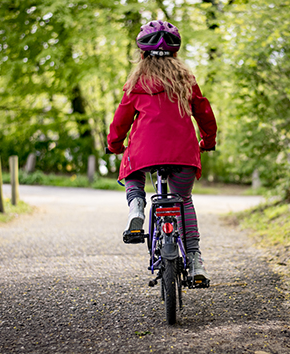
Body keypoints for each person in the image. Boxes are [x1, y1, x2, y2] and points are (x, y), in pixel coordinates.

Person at [107, 20, 217, 283]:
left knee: (131, 169)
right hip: (183, 153)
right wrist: (208, 141)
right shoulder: (186, 80)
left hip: (145, 152)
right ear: (175, 54)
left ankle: (136, 207)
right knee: (183, 200)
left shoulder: (137, 81)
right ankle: (195, 259)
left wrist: (115, 145)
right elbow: (204, 113)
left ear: (143, 53)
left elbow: (121, 121)